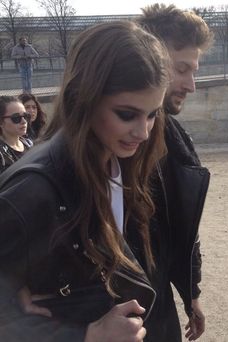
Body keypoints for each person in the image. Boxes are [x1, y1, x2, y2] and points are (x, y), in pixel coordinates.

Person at [0, 21, 170, 341]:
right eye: (127, 114)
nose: (144, 132)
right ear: (85, 99)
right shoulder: (33, 191)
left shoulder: (115, 159)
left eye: (152, 114)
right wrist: (87, 334)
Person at [137, 4, 213, 341]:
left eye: (193, 70)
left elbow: (184, 226)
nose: (192, 85)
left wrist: (190, 293)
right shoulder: (98, 144)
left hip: (159, 308)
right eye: (181, 69)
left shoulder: (174, 138)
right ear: (146, 58)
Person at [0, 96, 33, 174]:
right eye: (16, 118)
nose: (24, 121)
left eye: (25, 116)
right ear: (1, 122)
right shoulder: (2, 154)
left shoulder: (29, 144)